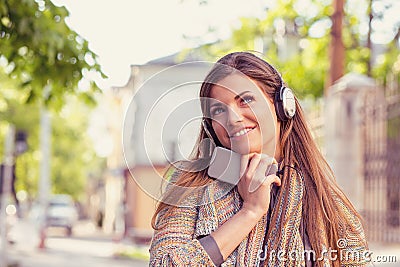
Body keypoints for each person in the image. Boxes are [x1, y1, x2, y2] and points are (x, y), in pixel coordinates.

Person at [149, 52, 368, 266]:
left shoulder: (325, 200)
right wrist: (250, 212)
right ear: (210, 125)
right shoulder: (190, 184)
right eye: (218, 110)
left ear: (282, 105)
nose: (232, 118)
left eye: (245, 100)